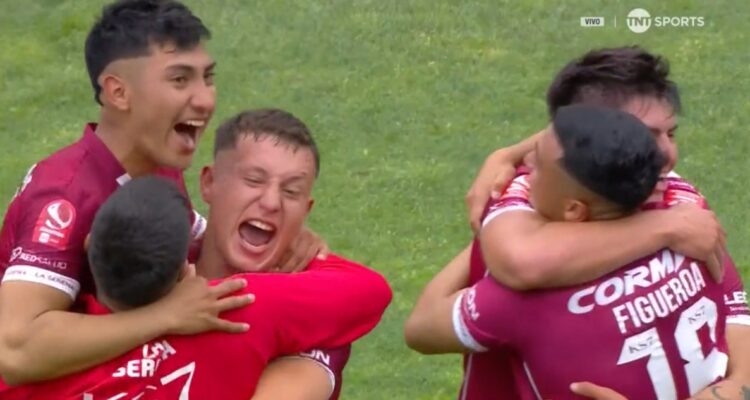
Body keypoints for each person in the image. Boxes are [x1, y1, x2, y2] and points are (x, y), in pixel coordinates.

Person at [0, 0, 329, 393]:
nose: (205, 99)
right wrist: (165, 315)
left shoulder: (161, 167)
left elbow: (187, 250)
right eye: (180, 80)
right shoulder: (64, 195)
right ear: (118, 92)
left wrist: (282, 236)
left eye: (207, 78)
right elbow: (14, 351)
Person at [407, 46, 749, 399]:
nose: (664, 155)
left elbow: (420, 327)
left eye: (669, 134)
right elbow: (742, 351)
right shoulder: (688, 210)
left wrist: (494, 224)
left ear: (574, 208)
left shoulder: (523, 293)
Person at [2, 175, 391, 400]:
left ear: (88, 249)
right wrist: (296, 245)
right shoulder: (235, 310)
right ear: (182, 272)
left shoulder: (38, 363)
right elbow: (370, 292)